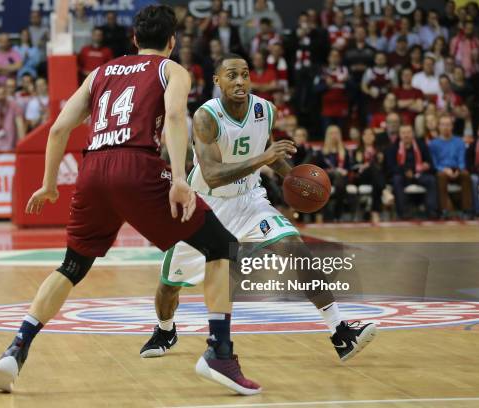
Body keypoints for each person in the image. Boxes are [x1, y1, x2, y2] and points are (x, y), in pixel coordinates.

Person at [0, 5, 268, 396]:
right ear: (172, 42)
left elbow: (60, 129)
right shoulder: (172, 70)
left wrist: (49, 184)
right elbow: (172, 119)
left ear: (134, 40)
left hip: (92, 170)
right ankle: (220, 352)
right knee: (220, 245)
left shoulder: (100, 72)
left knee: (71, 265)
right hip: (137, 166)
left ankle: (15, 349)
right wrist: (181, 179)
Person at [139, 54, 375, 363]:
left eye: (245, 75)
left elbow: (267, 151)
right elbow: (212, 173)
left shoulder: (265, 110)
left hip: (250, 200)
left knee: (294, 248)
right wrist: (262, 160)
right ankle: (165, 329)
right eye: (232, 76)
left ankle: (341, 332)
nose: (239, 81)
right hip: (206, 206)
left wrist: (293, 179)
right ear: (217, 81)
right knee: (169, 285)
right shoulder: (205, 117)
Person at [386, 125, 438, 219]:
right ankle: (404, 213)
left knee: (431, 180)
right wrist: (404, 171)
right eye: (403, 133)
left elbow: (430, 164)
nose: (406, 135)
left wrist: (426, 166)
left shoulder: (421, 145)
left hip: (419, 174)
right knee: (397, 180)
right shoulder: (393, 147)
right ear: (399, 135)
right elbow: (390, 168)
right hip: (402, 176)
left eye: (408, 132)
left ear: (413, 134)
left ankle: (432, 212)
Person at [429, 115, 473, 218]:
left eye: (448, 124)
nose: (445, 127)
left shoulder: (459, 141)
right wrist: (444, 170)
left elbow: (462, 160)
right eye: (443, 125)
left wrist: (459, 169)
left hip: (457, 169)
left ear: (452, 126)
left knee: (466, 175)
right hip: (442, 170)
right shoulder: (433, 144)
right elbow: (434, 163)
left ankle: (467, 210)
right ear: (439, 127)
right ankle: (445, 210)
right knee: (440, 176)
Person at [350, 128, 385, 223]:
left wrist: (379, 162)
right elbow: (353, 167)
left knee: (375, 174)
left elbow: (384, 167)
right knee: (373, 168)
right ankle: (384, 193)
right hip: (362, 177)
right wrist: (364, 166)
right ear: (362, 137)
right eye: (366, 134)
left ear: (374, 137)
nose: (368, 137)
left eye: (371, 134)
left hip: (376, 179)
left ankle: (374, 211)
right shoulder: (356, 151)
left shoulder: (380, 151)